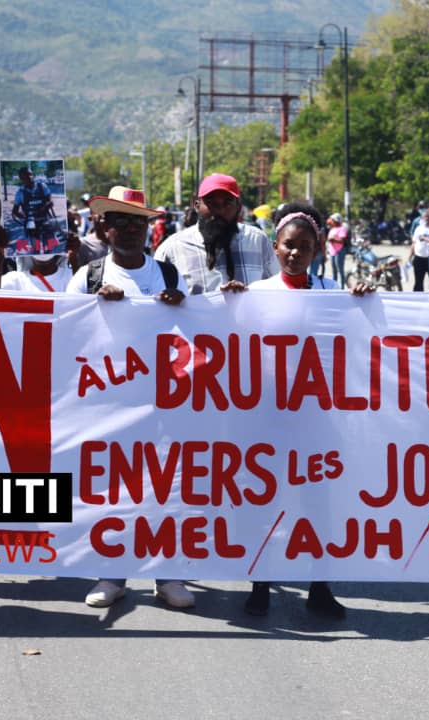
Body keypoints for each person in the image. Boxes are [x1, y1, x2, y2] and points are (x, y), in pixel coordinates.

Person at [242, 203, 374, 619]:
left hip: (318, 421)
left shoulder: (333, 294)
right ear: (275, 250)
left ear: (318, 249)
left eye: (304, 246)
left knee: (319, 503)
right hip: (268, 418)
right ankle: (259, 583)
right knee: (264, 502)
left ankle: (320, 585)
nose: (295, 253)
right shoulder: (255, 295)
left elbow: (358, 341)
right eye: (288, 246)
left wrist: (364, 302)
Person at [65, 186, 192, 609]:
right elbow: (66, 335)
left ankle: (166, 574)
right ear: (105, 228)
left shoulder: (169, 275)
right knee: (112, 489)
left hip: (162, 401)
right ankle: (112, 572)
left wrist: (180, 308)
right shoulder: (89, 278)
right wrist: (96, 308)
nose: (133, 228)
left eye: (139, 221)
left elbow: (198, 333)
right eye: (122, 221)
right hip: (108, 400)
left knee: (165, 487)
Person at [154, 174, 278, 294]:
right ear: (197, 206)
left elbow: (277, 287)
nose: (220, 209)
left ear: (238, 208)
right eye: (211, 203)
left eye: (227, 202)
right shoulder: (172, 249)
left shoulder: (257, 241)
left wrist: (246, 294)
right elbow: (155, 297)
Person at [11, 168, 55, 253]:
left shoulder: (42, 186)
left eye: (30, 174)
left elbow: (50, 201)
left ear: (33, 175)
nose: (28, 177)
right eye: (25, 176)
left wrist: (44, 208)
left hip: (45, 220)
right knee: (35, 250)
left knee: (50, 248)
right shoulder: (20, 193)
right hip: (32, 225)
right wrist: (26, 218)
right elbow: (15, 211)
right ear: (21, 179)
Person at [409, 209, 429, 291]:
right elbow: (414, 243)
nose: (425, 219)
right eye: (424, 217)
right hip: (419, 257)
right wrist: (410, 256)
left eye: (427, 217)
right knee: (418, 281)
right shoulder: (419, 228)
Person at [325, 212, 348, 283]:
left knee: (340, 270)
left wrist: (333, 239)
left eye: (333, 220)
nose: (332, 221)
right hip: (332, 252)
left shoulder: (342, 229)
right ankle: (334, 287)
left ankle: (342, 287)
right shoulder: (332, 229)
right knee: (334, 271)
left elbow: (342, 240)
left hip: (339, 251)